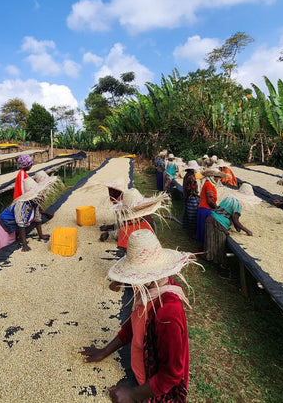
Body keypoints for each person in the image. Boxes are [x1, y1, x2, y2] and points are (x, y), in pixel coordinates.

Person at [81, 229, 196, 403]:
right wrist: (105, 351)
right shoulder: (149, 291)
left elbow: (172, 374)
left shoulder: (167, 314)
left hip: (157, 390)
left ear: (146, 277)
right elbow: (134, 325)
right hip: (142, 371)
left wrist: (133, 395)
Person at [0, 171, 60, 253]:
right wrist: (24, 244)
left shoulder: (35, 202)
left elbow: (37, 219)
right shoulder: (22, 204)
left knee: (10, 246)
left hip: (11, 226)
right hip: (3, 226)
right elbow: (21, 224)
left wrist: (41, 235)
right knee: (1, 251)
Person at [204, 196, 253, 269]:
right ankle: (221, 266)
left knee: (211, 241)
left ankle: (209, 257)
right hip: (219, 223)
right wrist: (247, 230)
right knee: (220, 245)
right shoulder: (237, 205)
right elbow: (236, 220)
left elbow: (233, 219)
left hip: (211, 218)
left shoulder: (228, 200)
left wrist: (238, 228)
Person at [196, 168, 226, 243]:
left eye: (218, 177)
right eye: (216, 177)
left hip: (203, 208)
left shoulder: (209, 184)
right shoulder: (209, 184)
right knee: (204, 229)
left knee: (202, 228)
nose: (217, 179)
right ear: (212, 177)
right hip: (205, 209)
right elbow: (209, 201)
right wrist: (217, 209)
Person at [181, 162, 200, 236]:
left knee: (188, 214)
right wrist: (198, 196)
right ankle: (192, 233)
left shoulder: (187, 175)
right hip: (191, 198)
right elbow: (191, 190)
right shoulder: (191, 177)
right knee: (193, 215)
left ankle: (188, 230)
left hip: (187, 197)